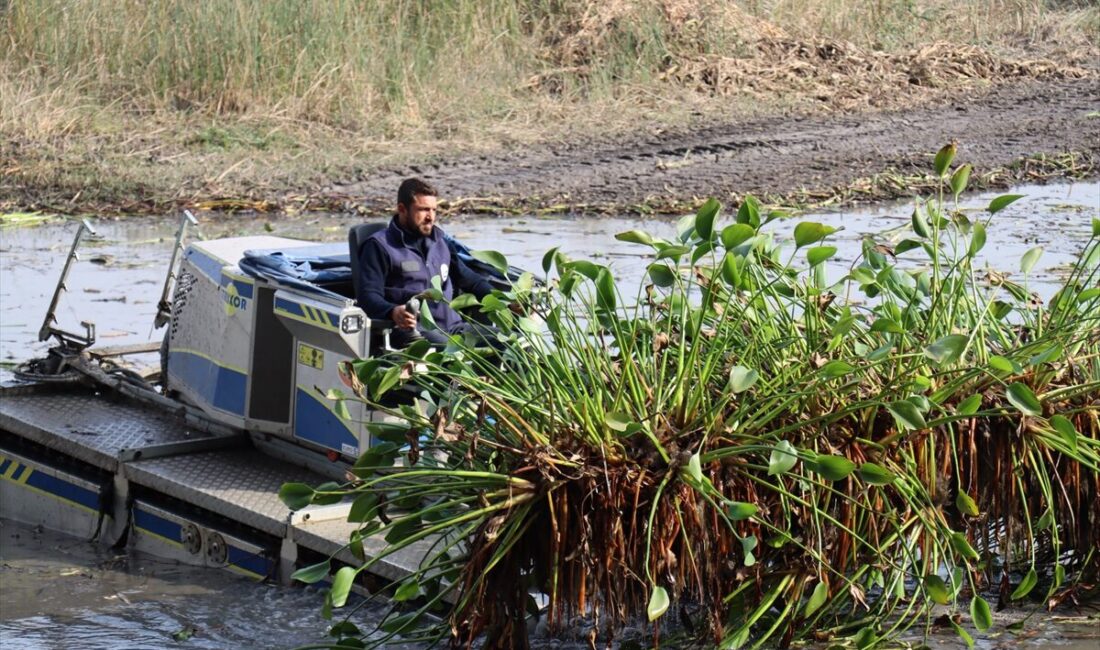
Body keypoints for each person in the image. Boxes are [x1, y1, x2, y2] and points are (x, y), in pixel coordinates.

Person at [356, 178, 495, 348]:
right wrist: (392, 311)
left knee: (516, 342)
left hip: (453, 328)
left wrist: (506, 301)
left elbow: (471, 281)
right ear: (402, 209)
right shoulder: (379, 246)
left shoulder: (441, 242)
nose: (430, 217)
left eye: (434, 210)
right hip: (413, 332)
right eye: (423, 210)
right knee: (455, 352)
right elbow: (368, 296)